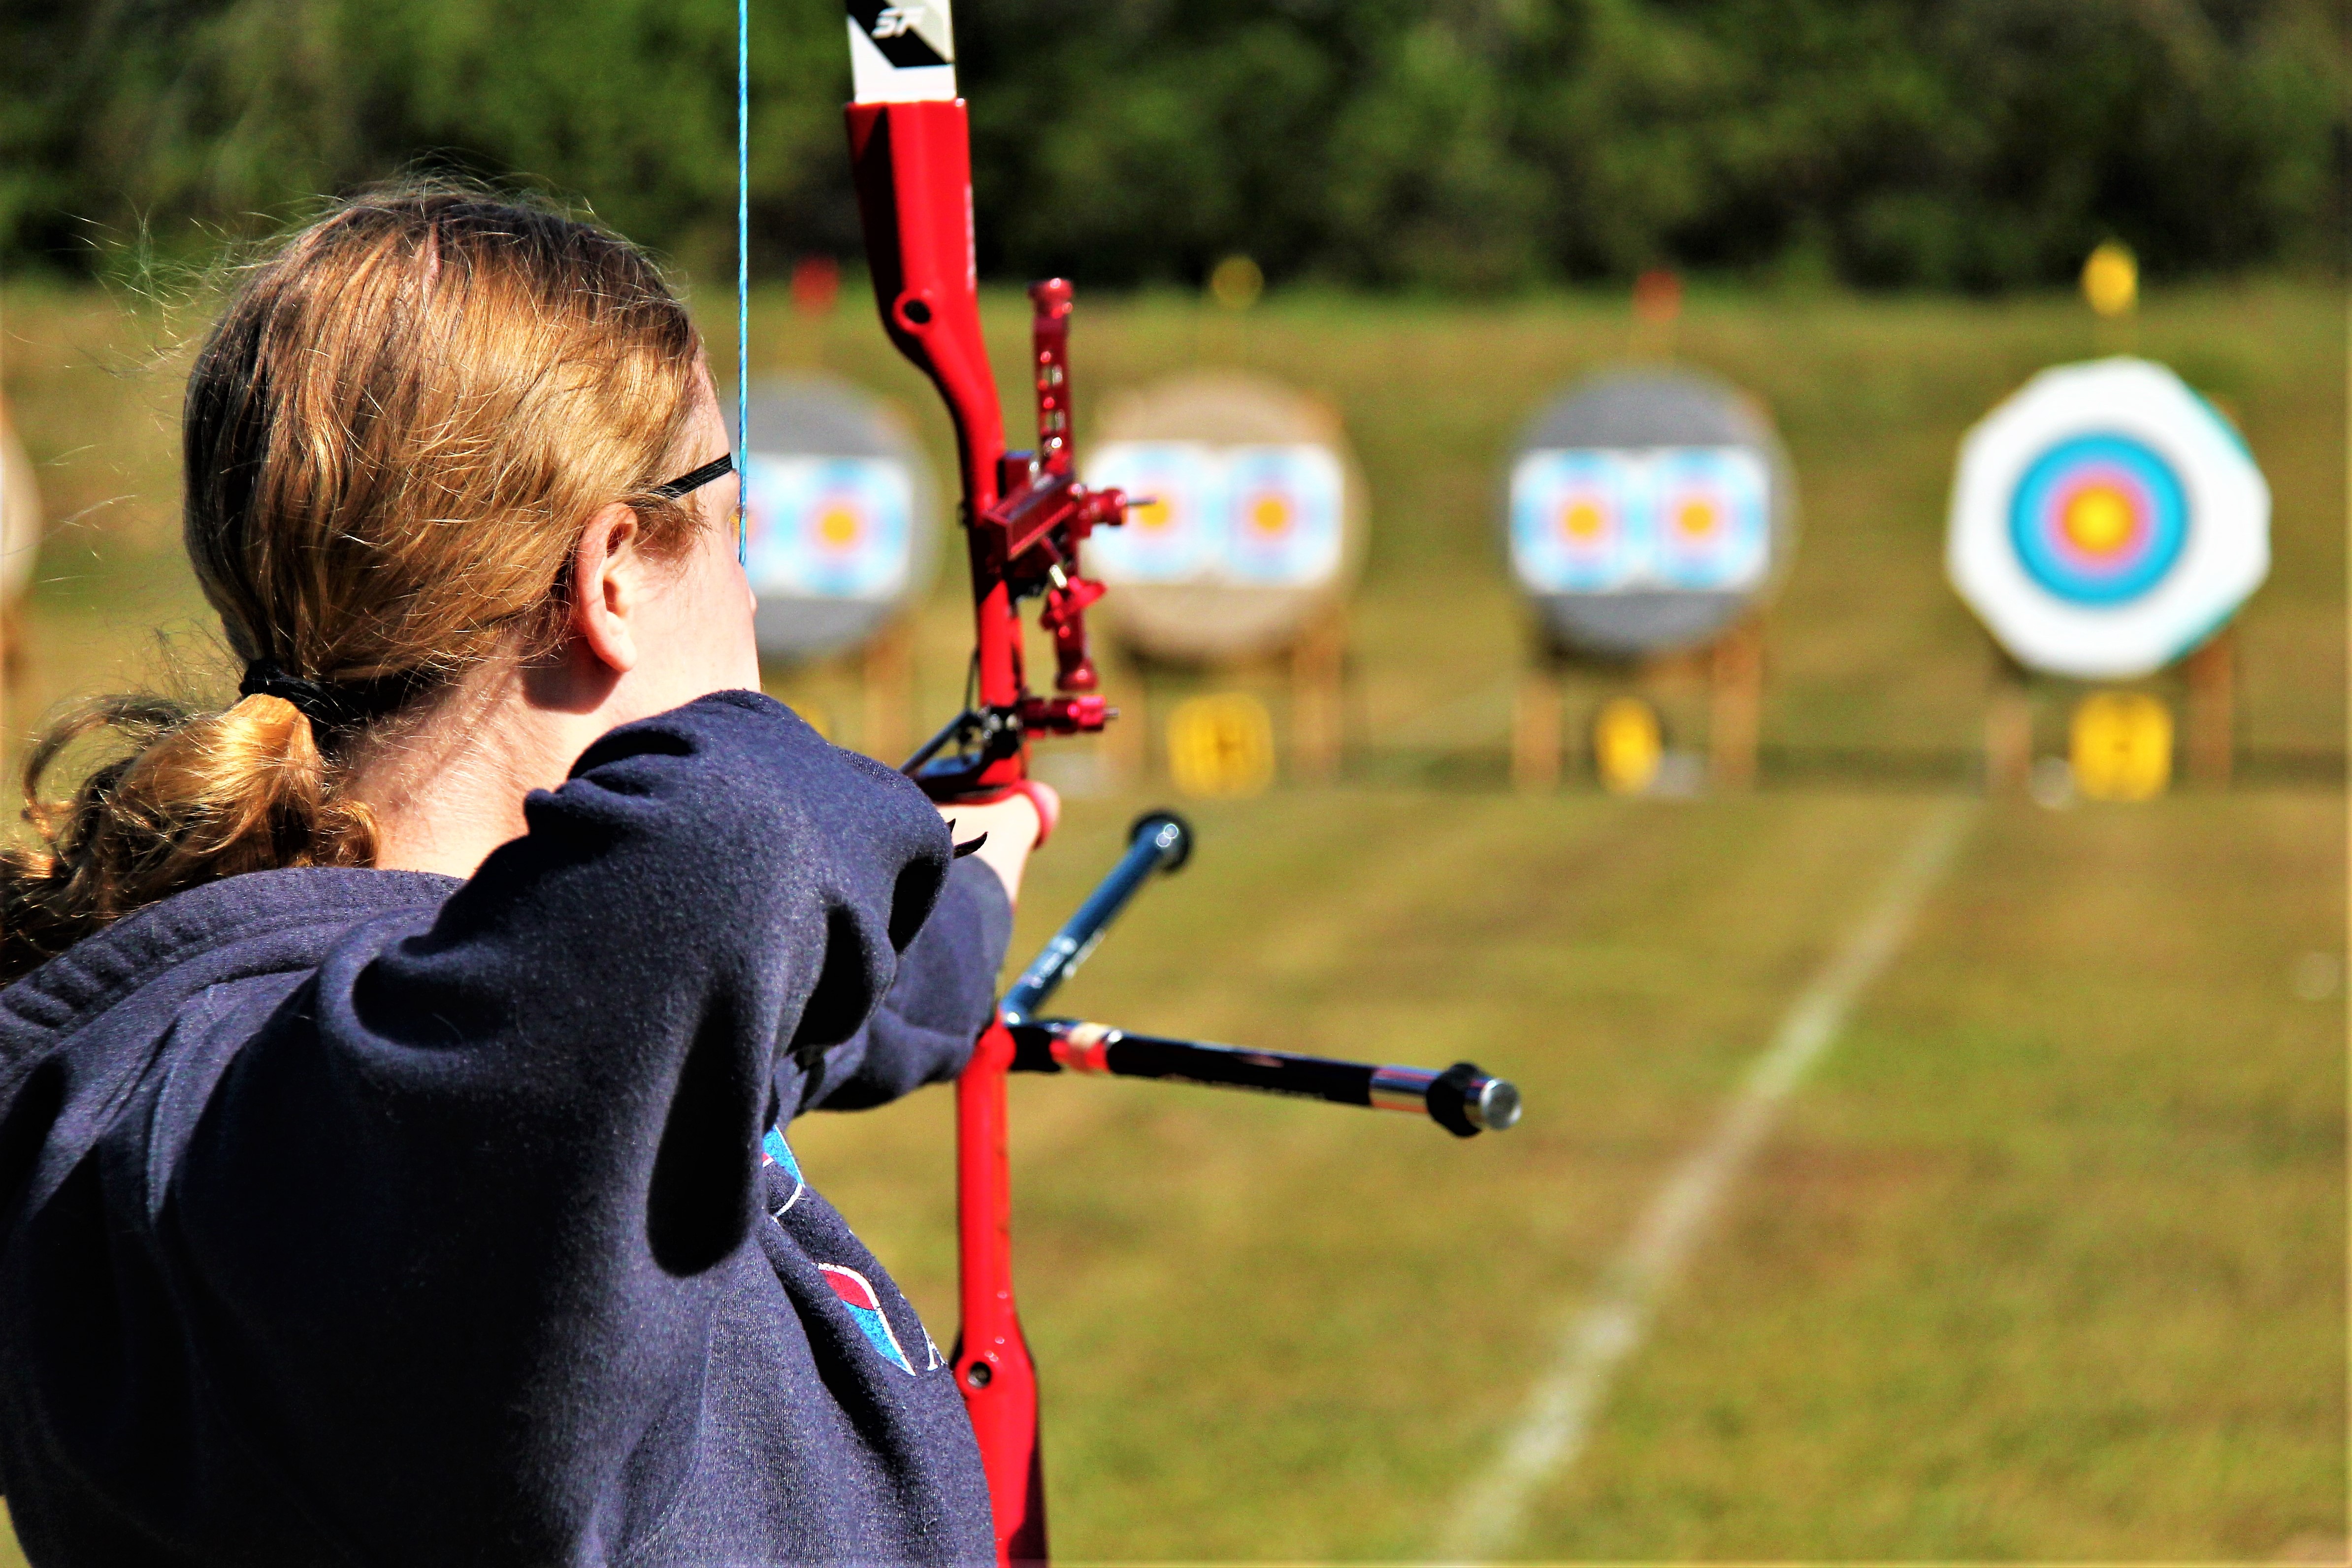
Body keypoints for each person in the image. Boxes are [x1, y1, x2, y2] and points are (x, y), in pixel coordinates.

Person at [0, 191, 1047, 1566]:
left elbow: (696, 1016)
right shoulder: (438, 1117)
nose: (747, 591)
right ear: (610, 573)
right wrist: (873, 820)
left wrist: (957, 900)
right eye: (732, 522)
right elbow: (726, 858)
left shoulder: (239, 1060)